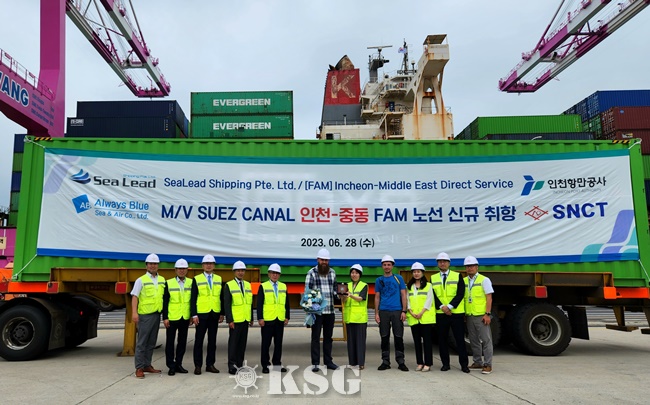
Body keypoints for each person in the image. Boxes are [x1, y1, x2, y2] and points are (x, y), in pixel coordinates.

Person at [431, 252, 469, 373]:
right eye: (440, 261)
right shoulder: (433, 278)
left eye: (444, 261)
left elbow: (460, 293)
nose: (442, 263)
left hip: (456, 313)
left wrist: (450, 306)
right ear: (437, 264)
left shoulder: (457, 276)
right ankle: (445, 364)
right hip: (441, 313)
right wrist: (442, 307)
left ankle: (464, 365)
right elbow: (433, 295)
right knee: (442, 340)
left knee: (459, 340)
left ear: (449, 263)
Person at [131, 253, 166, 379]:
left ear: (158, 265)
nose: (153, 266)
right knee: (142, 342)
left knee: (151, 342)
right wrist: (134, 313)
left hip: (156, 314)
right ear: (146, 265)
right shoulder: (141, 280)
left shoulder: (162, 280)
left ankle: (147, 365)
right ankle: (139, 368)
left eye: (155, 264)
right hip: (145, 315)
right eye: (150, 264)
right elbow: (135, 297)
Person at [304, 248, 339, 372]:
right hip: (317, 312)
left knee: (328, 337)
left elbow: (335, 290)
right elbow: (307, 293)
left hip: (330, 311)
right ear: (318, 260)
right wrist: (309, 313)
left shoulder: (332, 273)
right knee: (315, 338)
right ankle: (315, 363)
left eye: (326, 260)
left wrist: (341, 294)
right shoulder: (311, 273)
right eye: (322, 260)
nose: (324, 262)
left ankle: (328, 362)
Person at [190, 254, 224, 375]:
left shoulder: (219, 279)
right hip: (201, 314)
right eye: (206, 263)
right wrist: (194, 315)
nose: (208, 265)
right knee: (199, 341)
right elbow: (193, 298)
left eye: (211, 263)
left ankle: (210, 364)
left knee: (212, 341)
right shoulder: (197, 279)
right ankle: (198, 365)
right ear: (202, 265)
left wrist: (222, 313)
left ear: (214, 265)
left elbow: (221, 297)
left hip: (214, 314)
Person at [374, 254, 409, 371]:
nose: (387, 267)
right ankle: (385, 361)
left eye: (389, 264)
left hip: (397, 310)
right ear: (382, 266)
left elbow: (403, 295)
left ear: (392, 266)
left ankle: (401, 361)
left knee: (398, 336)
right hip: (384, 311)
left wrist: (404, 310)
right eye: (384, 265)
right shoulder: (379, 280)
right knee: (384, 336)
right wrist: (376, 313)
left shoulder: (399, 278)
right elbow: (377, 297)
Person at [463, 256, 494, 375]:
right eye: (467, 266)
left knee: (486, 340)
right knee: (473, 340)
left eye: (472, 266)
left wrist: (487, 314)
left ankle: (488, 364)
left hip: (481, 315)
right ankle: (477, 362)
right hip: (470, 314)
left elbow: (489, 297)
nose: (470, 268)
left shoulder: (484, 280)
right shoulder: (464, 281)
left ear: (477, 267)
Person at [257, 263, 290, 374]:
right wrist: (260, 318)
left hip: (279, 319)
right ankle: (265, 365)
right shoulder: (263, 286)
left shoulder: (283, 286)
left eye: (277, 273)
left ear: (279, 275)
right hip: (267, 319)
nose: (275, 275)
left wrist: (287, 316)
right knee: (266, 344)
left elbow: (287, 303)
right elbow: (259, 303)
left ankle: (277, 364)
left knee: (278, 344)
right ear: (269, 274)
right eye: (273, 273)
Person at [162, 258, 193, 376]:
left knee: (182, 342)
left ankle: (179, 364)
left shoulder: (191, 282)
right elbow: (165, 302)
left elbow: (192, 301)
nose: (181, 271)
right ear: (175, 270)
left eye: (184, 269)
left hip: (185, 317)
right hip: (172, 317)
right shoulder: (169, 283)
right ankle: (171, 366)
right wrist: (165, 317)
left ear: (187, 270)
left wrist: (192, 315)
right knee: (170, 343)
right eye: (179, 269)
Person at [223, 260, 254, 375]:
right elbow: (227, 304)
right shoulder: (229, 285)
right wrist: (230, 320)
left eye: (242, 270)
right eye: (238, 271)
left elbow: (250, 303)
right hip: (235, 320)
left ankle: (240, 365)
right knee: (233, 343)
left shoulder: (248, 285)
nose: (240, 273)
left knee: (242, 344)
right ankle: (232, 365)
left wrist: (251, 317)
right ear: (234, 272)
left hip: (245, 319)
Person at [406, 262, 435, 372]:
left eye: (418, 271)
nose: (416, 273)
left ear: (422, 273)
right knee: (417, 342)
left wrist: (421, 313)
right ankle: (419, 362)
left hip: (425, 317)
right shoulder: (409, 286)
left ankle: (428, 363)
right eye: (414, 272)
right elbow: (407, 300)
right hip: (414, 317)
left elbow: (429, 301)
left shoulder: (428, 286)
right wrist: (411, 311)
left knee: (427, 341)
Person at [341, 264, 368, 370]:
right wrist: (343, 297)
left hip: (360, 318)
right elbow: (343, 300)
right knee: (351, 341)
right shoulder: (346, 285)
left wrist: (350, 295)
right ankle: (352, 362)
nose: (354, 275)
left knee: (360, 342)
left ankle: (361, 363)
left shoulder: (364, 285)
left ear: (360, 274)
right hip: (349, 317)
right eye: (352, 273)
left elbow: (361, 298)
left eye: (356, 273)